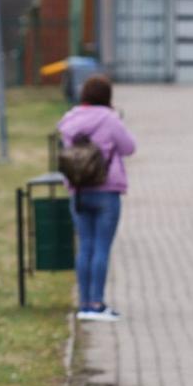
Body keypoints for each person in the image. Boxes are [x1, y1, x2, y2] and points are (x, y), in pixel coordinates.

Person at [57, 75, 137, 322]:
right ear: (107, 96)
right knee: (102, 247)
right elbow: (129, 147)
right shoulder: (109, 119)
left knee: (85, 246)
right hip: (106, 191)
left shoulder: (69, 120)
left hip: (78, 191)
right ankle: (97, 303)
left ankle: (83, 304)